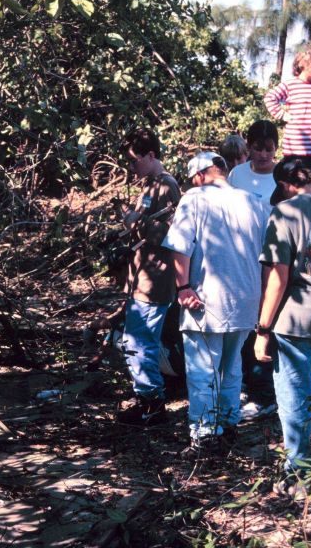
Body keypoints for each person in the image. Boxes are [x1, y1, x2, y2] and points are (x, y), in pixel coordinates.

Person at [162, 152, 268, 453]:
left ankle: (205, 433)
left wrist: (183, 287)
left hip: (206, 298)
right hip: (246, 297)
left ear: (199, 175)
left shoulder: (194, 198)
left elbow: (180, 247)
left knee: (202, 368)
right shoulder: (253, 201)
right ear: (222, 170)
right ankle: (228, 422)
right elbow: (265, 257)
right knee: (232, 364)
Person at [255, 157, 311, 498]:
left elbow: (278, 276)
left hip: (295, 319)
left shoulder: (284, 213)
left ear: (288, 183)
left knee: (294, 396)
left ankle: (299, 474)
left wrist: (262, 329)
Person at [117, 128, 181, 425]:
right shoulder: (150, 186)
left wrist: (135, 225)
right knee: (135, 340)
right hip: (141, 278)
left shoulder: (167, 186)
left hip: (155, 280)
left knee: (141, 343)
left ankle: (153, 403)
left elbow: (172, 233)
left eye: (135, 161)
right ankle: (145, 397)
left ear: (151, 155)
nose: (132, 168)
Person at [228, 120, 278, 420]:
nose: (262, 155)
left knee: (266, 321)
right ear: (249, 148)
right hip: (243, 258)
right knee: (245, 321)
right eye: (257, 148)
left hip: (273, 260)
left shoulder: (281, 176)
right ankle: (248, 382)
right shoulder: (237, 175)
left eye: (268, 149)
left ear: (276, 148)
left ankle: (265, 393)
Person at [264, 47, 311, 165]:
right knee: (291, 180)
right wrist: (283, 115)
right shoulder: (290, 84)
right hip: (294, 146)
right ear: (304, 65)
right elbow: (269, 98)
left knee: (309, 180)